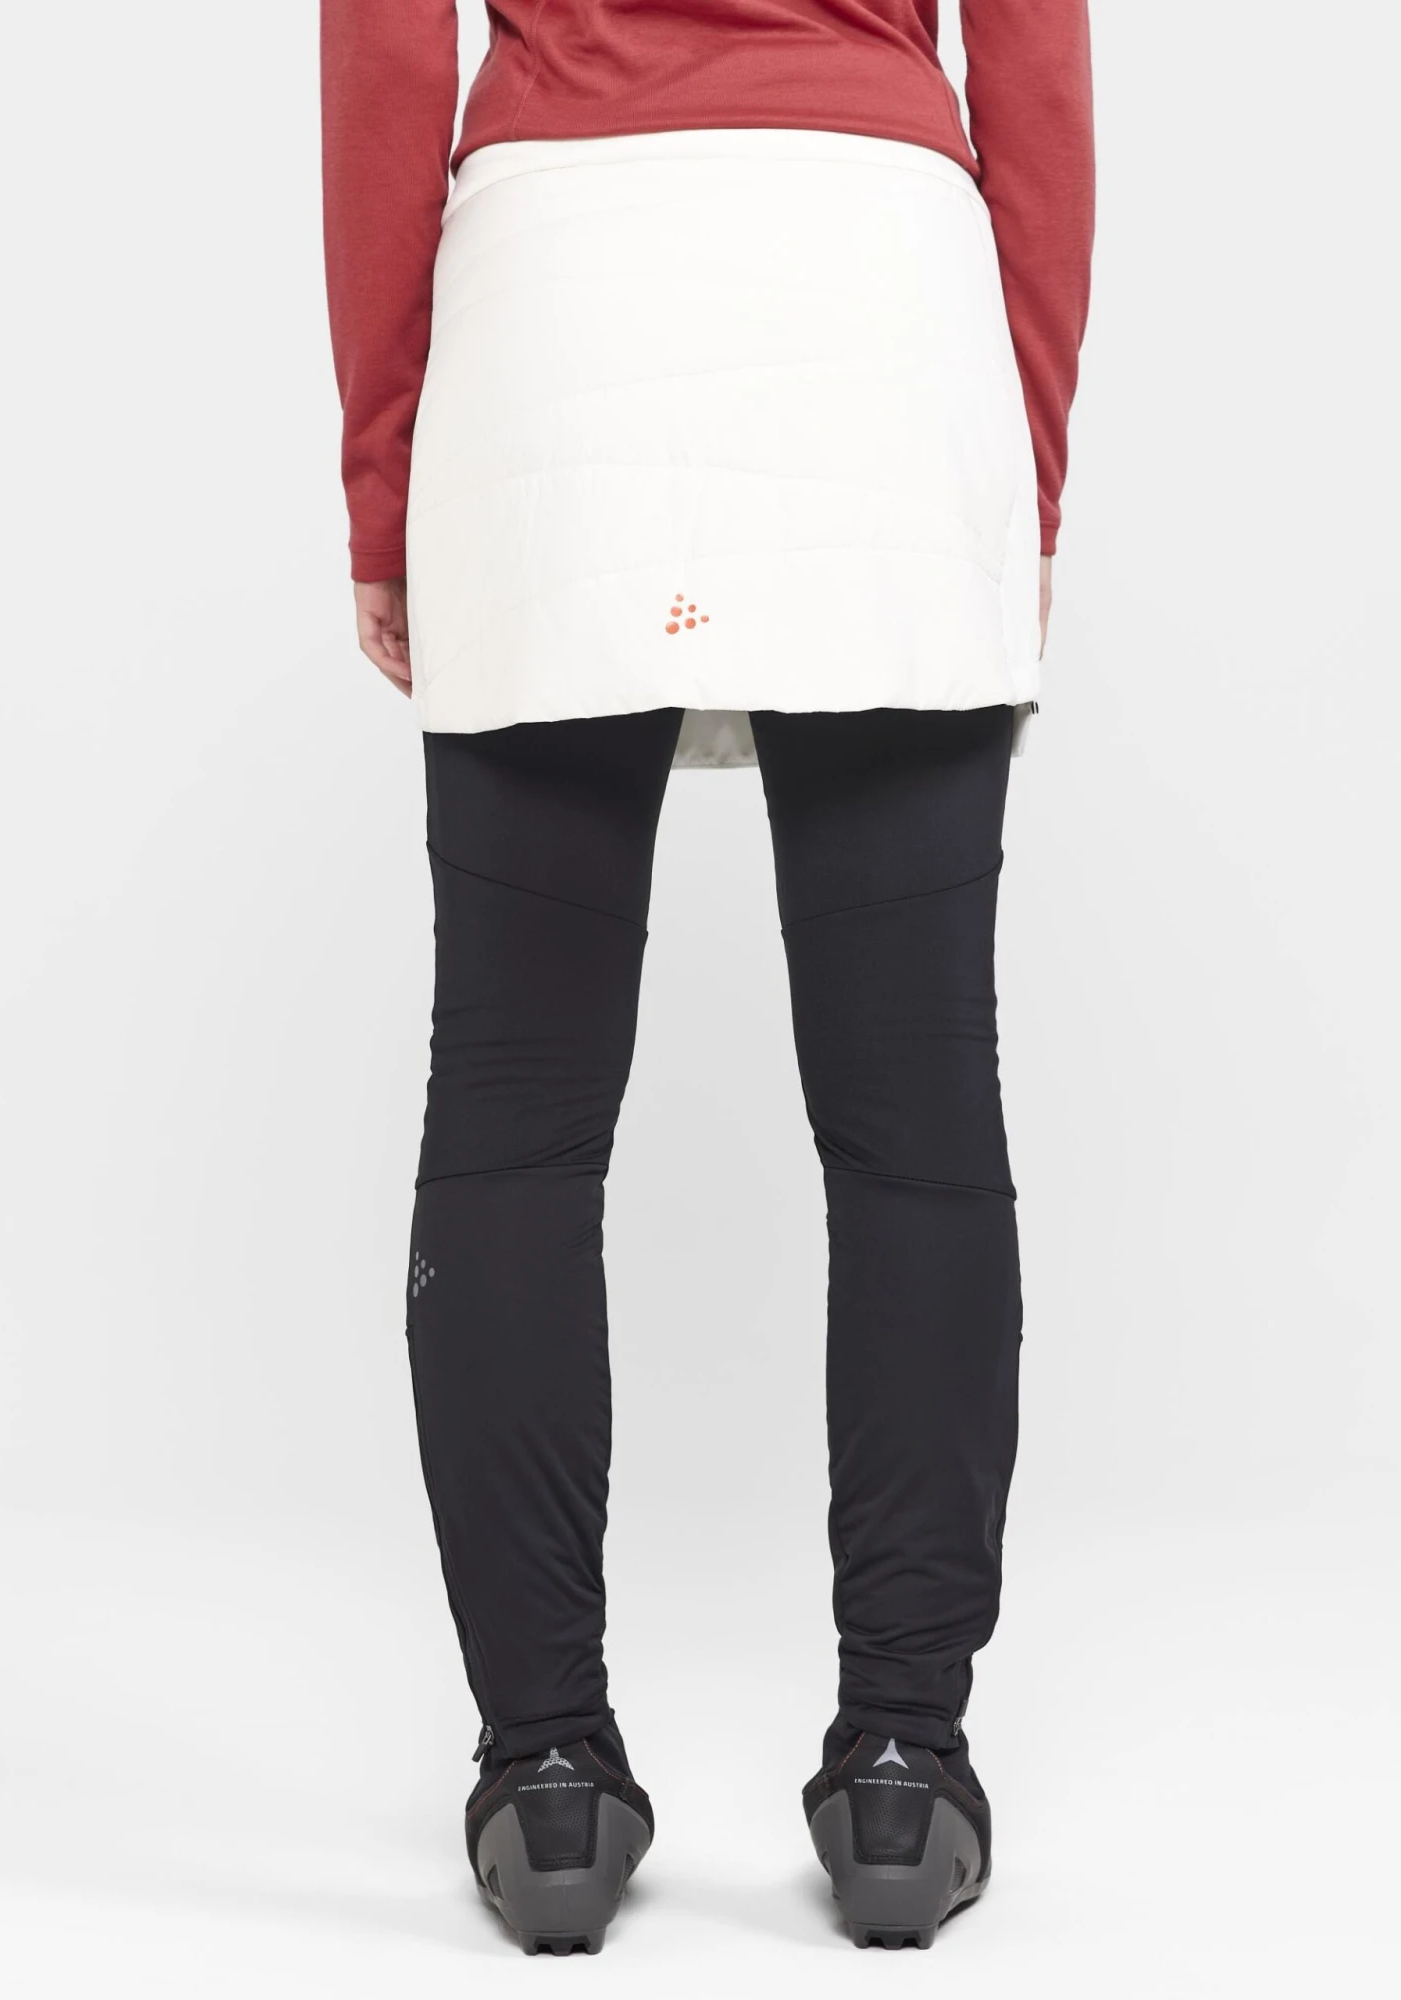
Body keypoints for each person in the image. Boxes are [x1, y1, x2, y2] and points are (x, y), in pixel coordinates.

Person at [321, 0, 1093, 1956]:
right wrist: (1017, 454)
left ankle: (545, 1781)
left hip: (562, 313)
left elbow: (386, 49)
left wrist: (387, 466)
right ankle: (905, 1770)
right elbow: (1036, 55)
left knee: (514, 1115)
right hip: (876, 301)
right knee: (919, 1120)